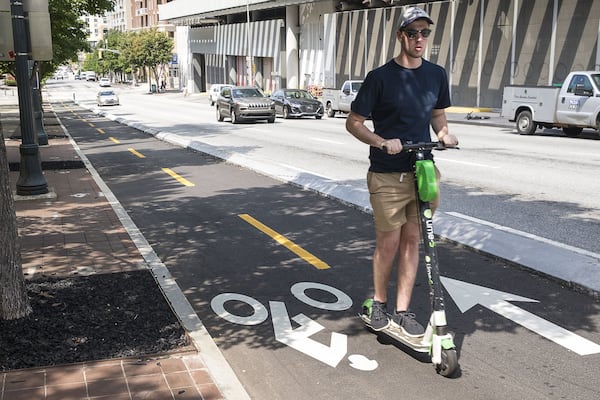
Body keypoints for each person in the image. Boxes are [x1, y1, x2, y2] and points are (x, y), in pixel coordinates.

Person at [346, 6, 459, 337]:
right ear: (400, 36)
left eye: (425, 33)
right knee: (389, 243)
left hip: (422, 170)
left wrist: (443, 134)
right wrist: (382, 142)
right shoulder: (380, 77)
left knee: (414, 240)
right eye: (413, 33)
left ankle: (404, 309)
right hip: (387, 173)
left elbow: (437, 115)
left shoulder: (436, 75)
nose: (420, 39)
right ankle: (379, 302)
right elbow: (354, 123)